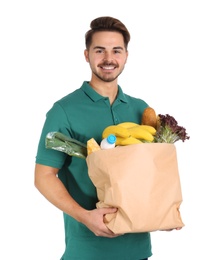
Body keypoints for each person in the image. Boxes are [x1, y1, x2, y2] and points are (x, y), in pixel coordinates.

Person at [34, 16, 180, 260]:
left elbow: (150, 173)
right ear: (86, 55)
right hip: (87, 250)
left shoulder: (140, 109)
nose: (108, 59)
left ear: (125, 56)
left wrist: (163, 208)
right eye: (99, 50)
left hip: (138, 250)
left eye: (116, 50)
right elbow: (43, 177)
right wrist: (85, 217)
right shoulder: (64, 110)